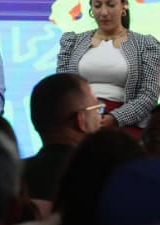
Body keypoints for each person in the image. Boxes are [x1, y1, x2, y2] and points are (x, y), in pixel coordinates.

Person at [56, 0, 160, 136]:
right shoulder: (72, 42)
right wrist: (85, 118)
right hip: (80, 123)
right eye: (97, 5)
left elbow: (149, 95)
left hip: (125, 126)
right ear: (90, 6)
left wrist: (115, 118)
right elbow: (63, 88)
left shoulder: (146, 45)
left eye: (111, 5)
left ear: (124, 5)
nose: (104, 12)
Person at [23, 73, 102, 202]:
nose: (101, 116)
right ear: (81, 120)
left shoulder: (12, 177)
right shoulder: (102, 177)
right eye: (96, 108)